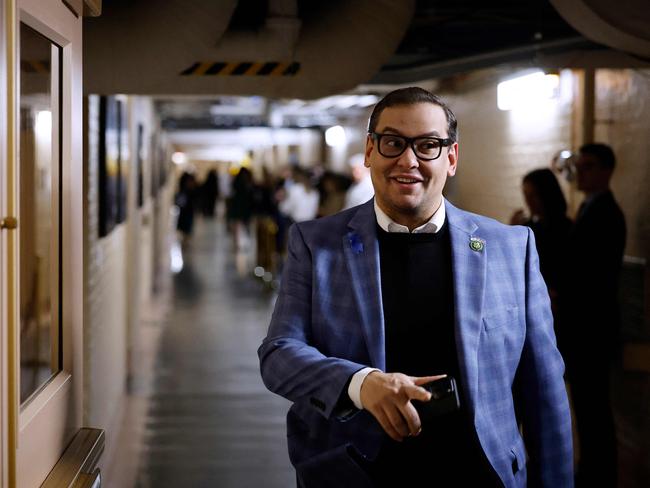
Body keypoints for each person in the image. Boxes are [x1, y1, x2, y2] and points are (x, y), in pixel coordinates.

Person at [259, 87, 573, 487]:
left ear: (452, 158)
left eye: (428, 145)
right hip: (359, 473)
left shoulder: (512, 249)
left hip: (479, 475)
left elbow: (545, 393)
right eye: (393, 143)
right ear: (370, 151)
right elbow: (278, 354)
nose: (408, 160)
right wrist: (359, 384)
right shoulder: (316, 244)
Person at [561, 143, 625, 488]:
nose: (579, 174)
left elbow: (593, 277)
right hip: (586, 330)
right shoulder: (589, 207)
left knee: (595, 412)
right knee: (588, 411)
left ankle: (600, 477)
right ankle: (593, 473)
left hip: (593, 331)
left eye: (587, 167)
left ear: (605, 171)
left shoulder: (606, 213)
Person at [510, 168, 572, 316]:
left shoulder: (564, 227)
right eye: (526, 195)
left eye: (533, 195)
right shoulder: (529, 226)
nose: (528, 201)